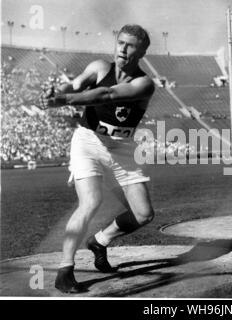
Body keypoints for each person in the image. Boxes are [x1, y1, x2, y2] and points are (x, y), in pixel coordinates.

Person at [39, 24, 156, 293]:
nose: (123, 49)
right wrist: (59, 91)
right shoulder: (100, 66)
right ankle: (65, 271)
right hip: (88, 141)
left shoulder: (144, 83)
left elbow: (108, 94)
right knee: (91, 200)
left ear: (142, 52)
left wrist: (66, 99)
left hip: (123, 148)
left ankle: (100, 240)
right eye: (120, 42)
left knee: (144, 214)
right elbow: (77, 83)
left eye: (130, 45)